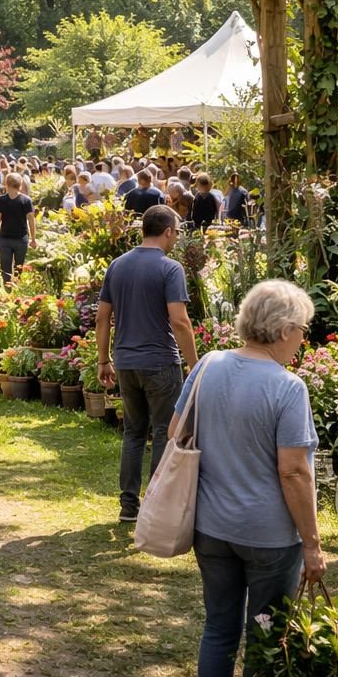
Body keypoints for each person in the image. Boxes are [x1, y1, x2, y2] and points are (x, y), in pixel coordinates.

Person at [182, 280, 326, 677]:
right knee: (265, 635)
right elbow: (294, 472)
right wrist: (314, 544)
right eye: (302, 328)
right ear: (283, 330)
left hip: (211, 526)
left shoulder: (209, 364)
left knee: (219, 630)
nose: (304, 338)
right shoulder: (287, 387)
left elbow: (177, 433)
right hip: (269, 536)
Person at [96, 204, 198, 522]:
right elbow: (180, 321)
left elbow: (102, 316)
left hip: (126, 362)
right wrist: (194, 365)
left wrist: (103, 359)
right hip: (160, 361)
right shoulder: (170, 269)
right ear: (167, 231)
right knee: (164, 432)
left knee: (133, 433)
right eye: (177, 232)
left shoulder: (118, 265)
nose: (177, 239)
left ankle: (128, 505)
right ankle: (154, 505)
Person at [0, 173, 36, 284]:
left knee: (5, 266)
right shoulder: (26, 200)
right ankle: (17, 285)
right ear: (20, 184)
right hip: (21, 237)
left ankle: (7, 286)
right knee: (19, 266)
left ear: (6, 184)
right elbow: (31, 220)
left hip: (5, 237)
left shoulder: (1, 200)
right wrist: (33, 238)